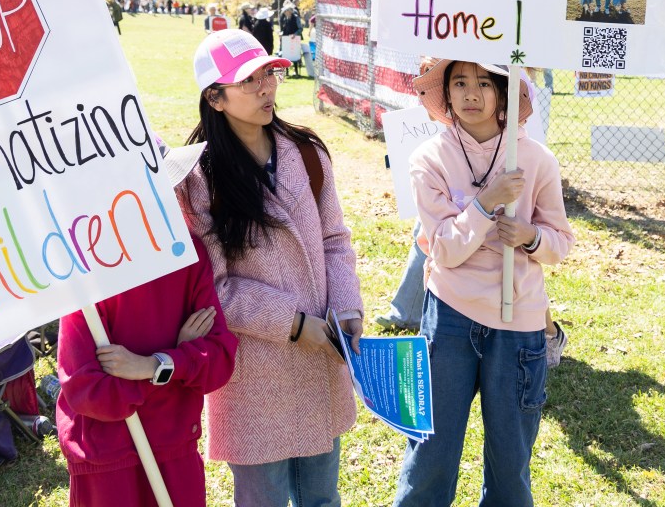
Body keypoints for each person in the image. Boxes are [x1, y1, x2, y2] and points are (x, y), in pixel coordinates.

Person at [179, 29, 363, 507]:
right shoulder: (198, 180)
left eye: (268, 73)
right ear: (215, 98)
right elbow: (215, 287)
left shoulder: (306, 152)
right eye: (248, 81)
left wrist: (346, 311)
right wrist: (293, 323)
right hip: (253, 372)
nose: (266, 87)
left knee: (322, 497)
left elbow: (335, 240)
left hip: (322, 353)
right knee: (262, 499)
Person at [393, 59, 574, 507]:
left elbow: (561, 243)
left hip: (519, 323)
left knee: (510, 460)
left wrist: (531, 238)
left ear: (503, 98)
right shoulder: (429, 159)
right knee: (430, 452)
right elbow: (445, 251)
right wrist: (485, 204)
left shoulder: (535, 159)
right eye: (459, 83)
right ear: (447, 97)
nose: (471, 94)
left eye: (484, 84)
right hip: (450, 316)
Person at [56, 141, 238, 507]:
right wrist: (172, 364)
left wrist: (153, 366)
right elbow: (85, 389)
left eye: (169, 185)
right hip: (105, 458)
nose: (169, 196)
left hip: (174, 450)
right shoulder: (88, 268)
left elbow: (219, 359)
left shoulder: (189, 253)